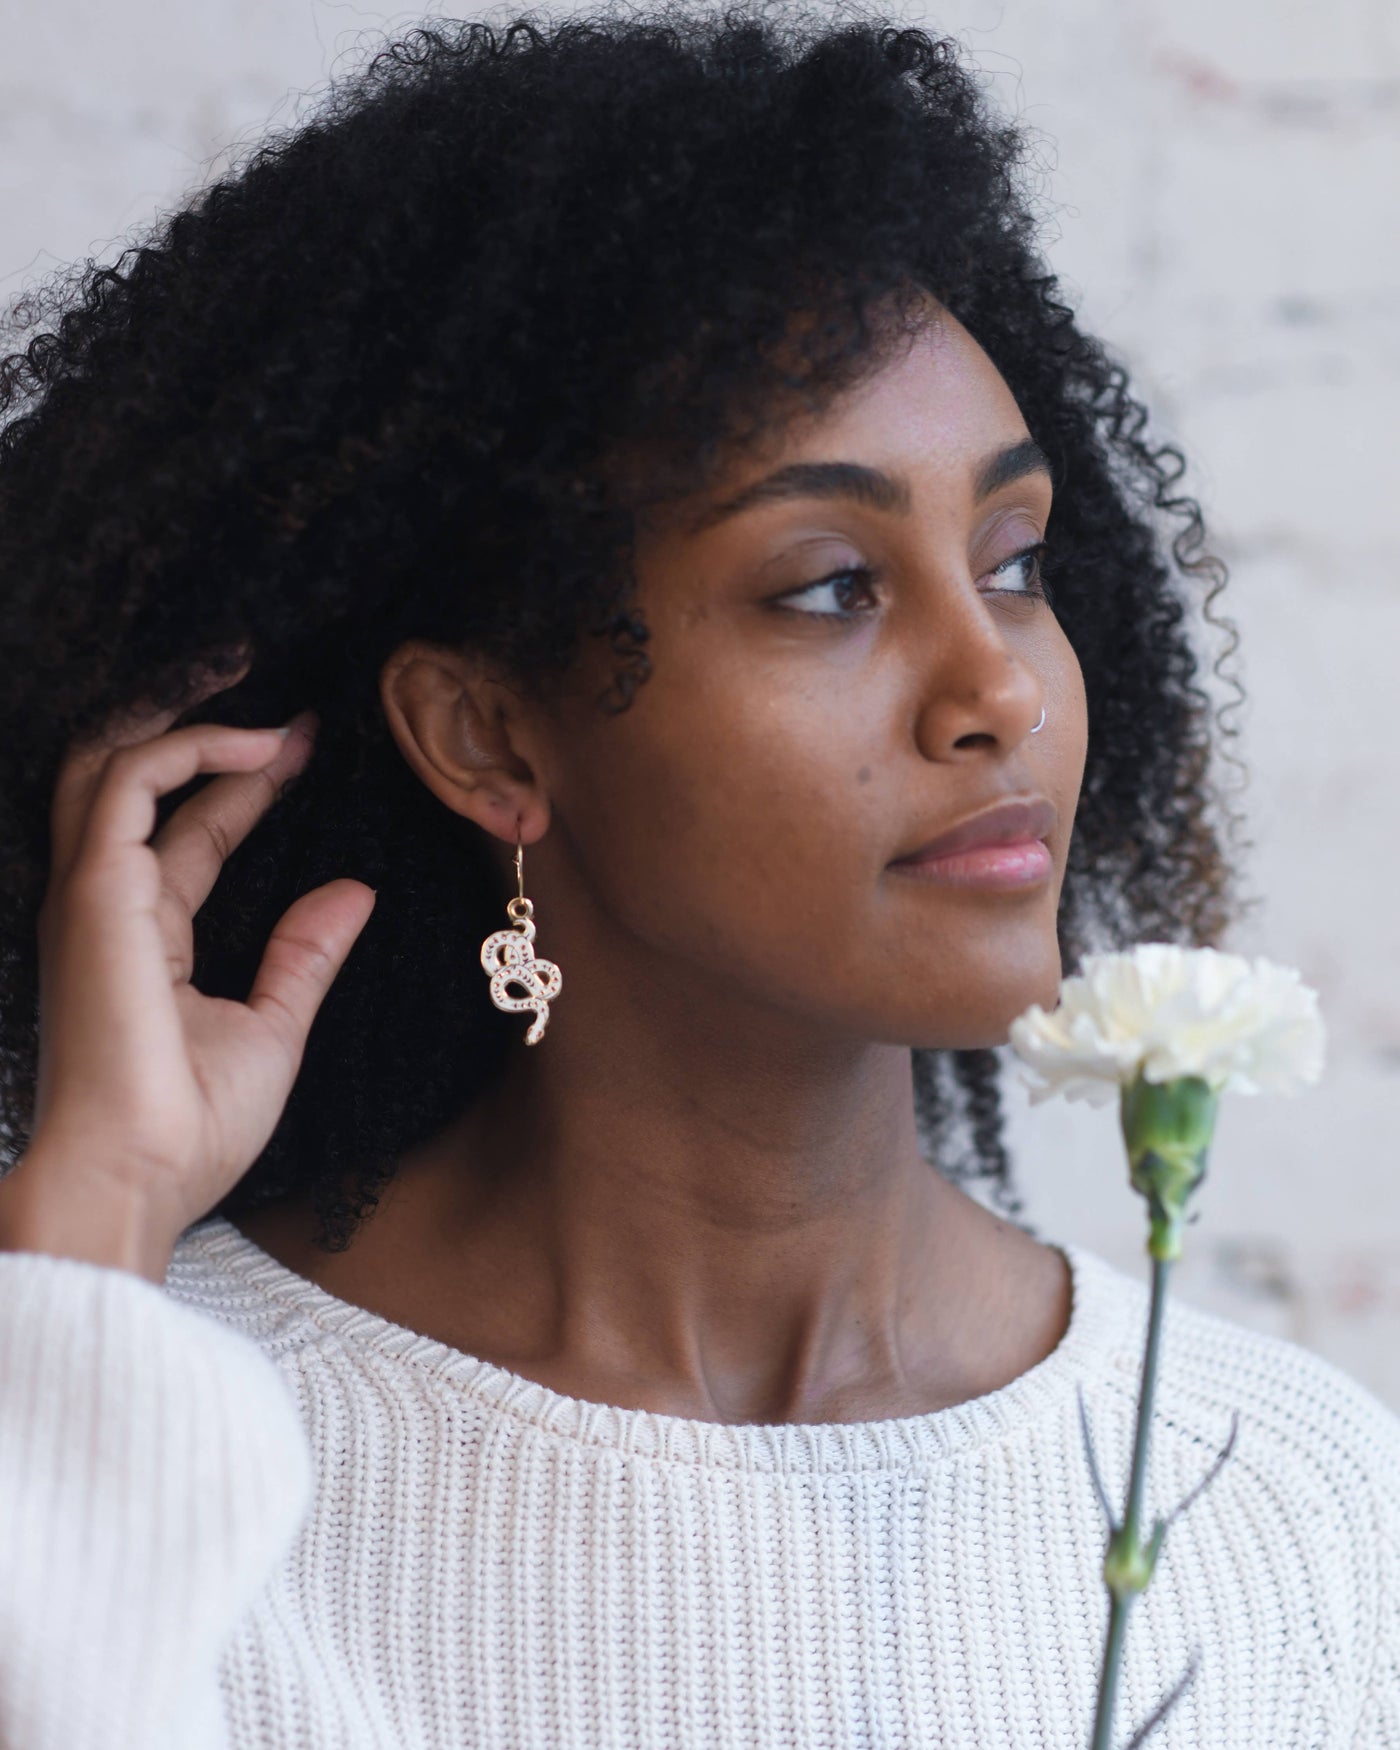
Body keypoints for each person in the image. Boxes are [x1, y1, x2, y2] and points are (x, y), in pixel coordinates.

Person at [0, 6, 1396, 1747]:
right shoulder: (129, 1435)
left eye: (1018, 559)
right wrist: (93, 1224)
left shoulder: (1282, 1504)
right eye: (830, 585)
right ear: (490, 736)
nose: (1005, 690)